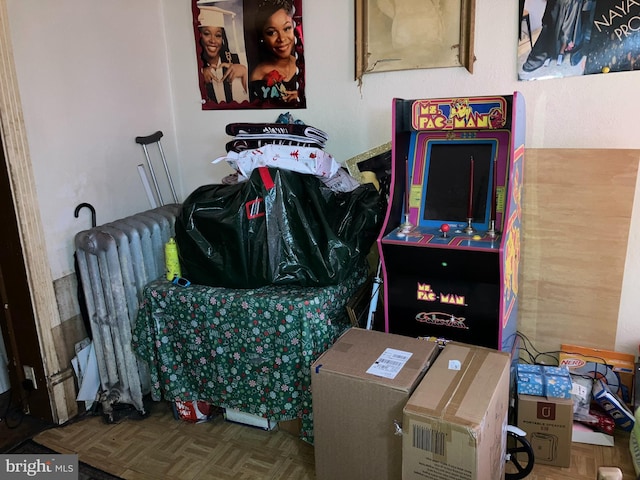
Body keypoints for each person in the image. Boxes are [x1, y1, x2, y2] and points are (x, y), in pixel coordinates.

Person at [249, 0, 304, 105]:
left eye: (287, 28)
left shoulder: (302, 64)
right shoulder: (258, 76)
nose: (282, 39)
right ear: (262, 37)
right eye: (272, 32)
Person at [198, 6, 249, 104]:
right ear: (199, 36)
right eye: (207, 34)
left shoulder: (237, 60)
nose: (213, 40)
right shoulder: (195, 67)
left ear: (223, 39)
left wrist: (244, 73)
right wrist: (200, 78)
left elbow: (251, 99)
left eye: (218, 35)